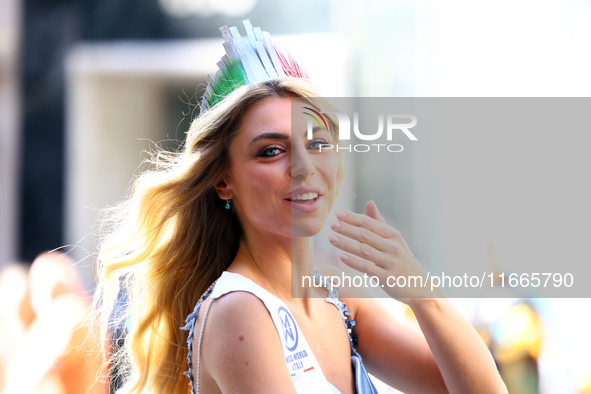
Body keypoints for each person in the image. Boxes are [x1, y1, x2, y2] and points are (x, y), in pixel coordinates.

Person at [94, 21, 508, 393]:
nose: (303, 167)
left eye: (318, 143)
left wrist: (422, 293)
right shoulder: (239, 310)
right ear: (223, 180)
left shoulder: (338, 296)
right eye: (272, 151)